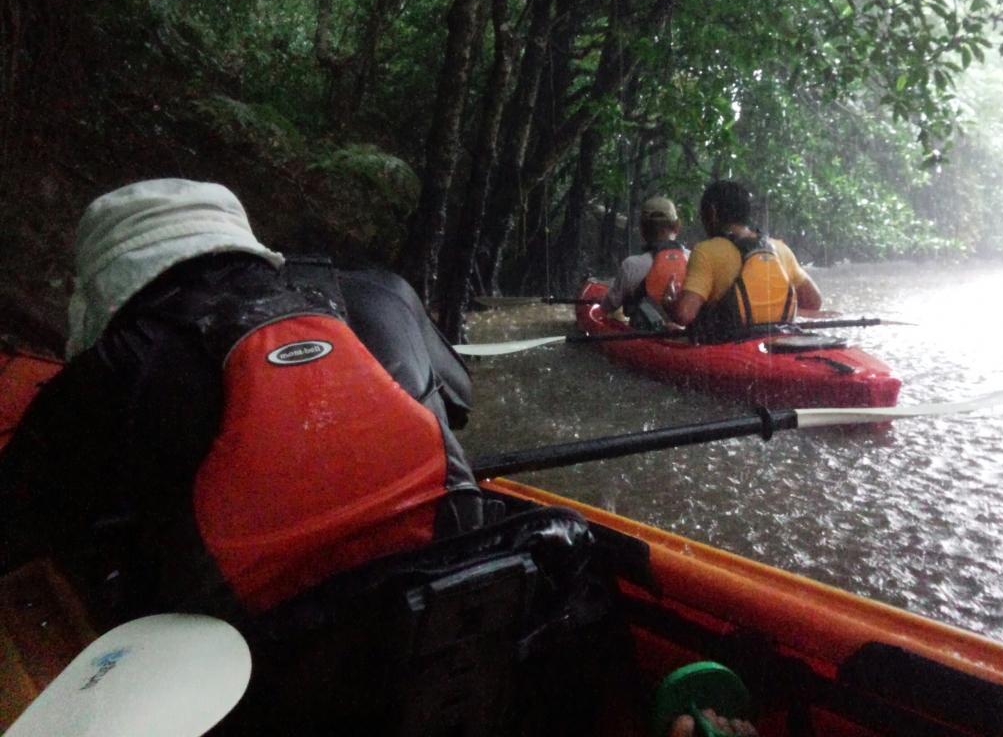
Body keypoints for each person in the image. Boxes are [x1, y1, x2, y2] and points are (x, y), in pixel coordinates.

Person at [0, 178, 482, 623]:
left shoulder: (114, 365)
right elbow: (459, 401)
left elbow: (18, 524)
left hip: (255, 646)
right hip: (449, 578)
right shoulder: (384, 292)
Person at [670, 180, 821, 337]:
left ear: (712, 213)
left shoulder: (706, 251)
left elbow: (684, 314)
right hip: (779, 342)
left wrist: (671, 304)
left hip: (728, 345)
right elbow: (814, 302)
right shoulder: (780, 249)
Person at [600, 195, 689, 331]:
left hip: (642, 338)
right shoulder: (694, 259)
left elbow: (607, 308)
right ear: (677, 226)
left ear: (642, 229)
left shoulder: (631, 265)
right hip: (684, 338)